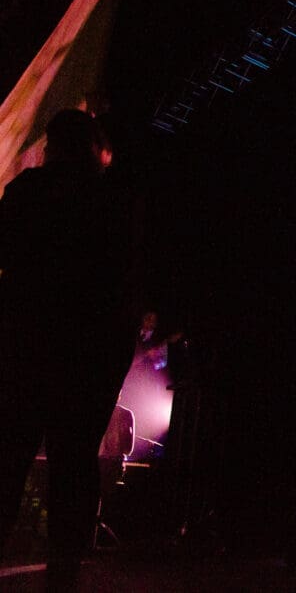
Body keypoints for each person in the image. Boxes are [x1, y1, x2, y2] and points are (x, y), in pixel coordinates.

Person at [0, 109, 135, 588]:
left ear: (53, 146)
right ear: (95, 150)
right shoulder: (114, 201)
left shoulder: (27, 192)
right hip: (86, 362)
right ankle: (62, 575)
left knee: (7, 458)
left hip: (24, 350)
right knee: (73, 465)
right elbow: (125, 290)